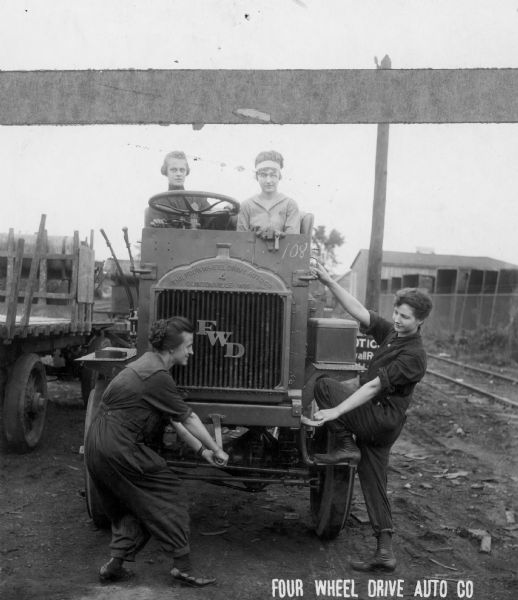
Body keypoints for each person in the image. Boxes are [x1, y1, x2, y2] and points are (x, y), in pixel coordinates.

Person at [84, 316, 229, 587]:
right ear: (171, 349)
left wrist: (202, 452)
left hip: (98, 443)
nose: (192, 351)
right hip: (119, 445)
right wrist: (217, 448)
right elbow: (188, 418)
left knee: (132, 503)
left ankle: (115, 566)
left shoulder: (147, 366)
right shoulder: (158, 376)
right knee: (168, 495)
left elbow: (173, 419)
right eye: (188, 346)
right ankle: (182, 566)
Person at [309, 264, 432, 573]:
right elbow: (359, 312)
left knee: (324, 385)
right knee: (375, 483)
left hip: (379, 418)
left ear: (420, 321)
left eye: (405, 317)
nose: (398, 320)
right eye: (397, 313)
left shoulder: (415, 355)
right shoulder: (394, 333)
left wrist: (337, 412)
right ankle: (385, 550)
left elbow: (375, 385)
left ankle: (343, 444)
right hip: (382, 424)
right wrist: (328, 281)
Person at [237, 150, 300, 237]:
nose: (268, 180)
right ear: (256, 177)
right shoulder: (247, 205)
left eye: (273, 175)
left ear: (279, 177)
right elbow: (240, 239)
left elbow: (292, 240)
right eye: (263, 175)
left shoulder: (289, 204)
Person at [147, 150, 210, 227]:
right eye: (173, 170)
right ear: (166, 172)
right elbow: (154, 234)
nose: (178, 174)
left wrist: (227, 210)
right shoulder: (157, 203)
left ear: (186, 172)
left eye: (182, 170)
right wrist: (159, 225)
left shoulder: (198, 200)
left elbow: (213, 221)